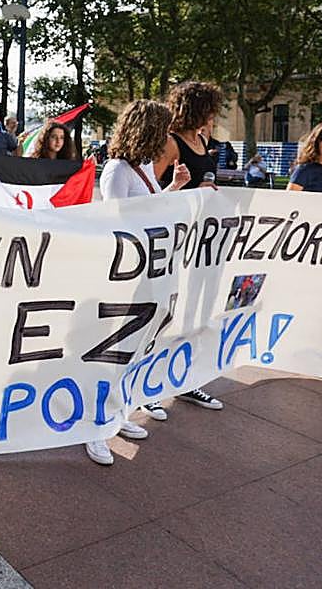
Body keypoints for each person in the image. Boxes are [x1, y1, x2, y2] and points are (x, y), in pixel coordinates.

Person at [103, 96, 225, 421]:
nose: (166, 137)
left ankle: (130, 400)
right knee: (127, 338)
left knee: (150, 333)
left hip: (153, 265)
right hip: (131, 268)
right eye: (161, 129)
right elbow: (115, 222)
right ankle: (112, 411)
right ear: (146, 130)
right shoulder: (116, 170)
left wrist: (175, 186)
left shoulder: (143, 166)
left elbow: (153, 207)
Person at [155, 81, 222, 190]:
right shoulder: (170, 143)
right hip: (174, 206)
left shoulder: (202, 140)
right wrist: (194, 191)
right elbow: (150, 188)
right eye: (208, 110)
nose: (212, 114)